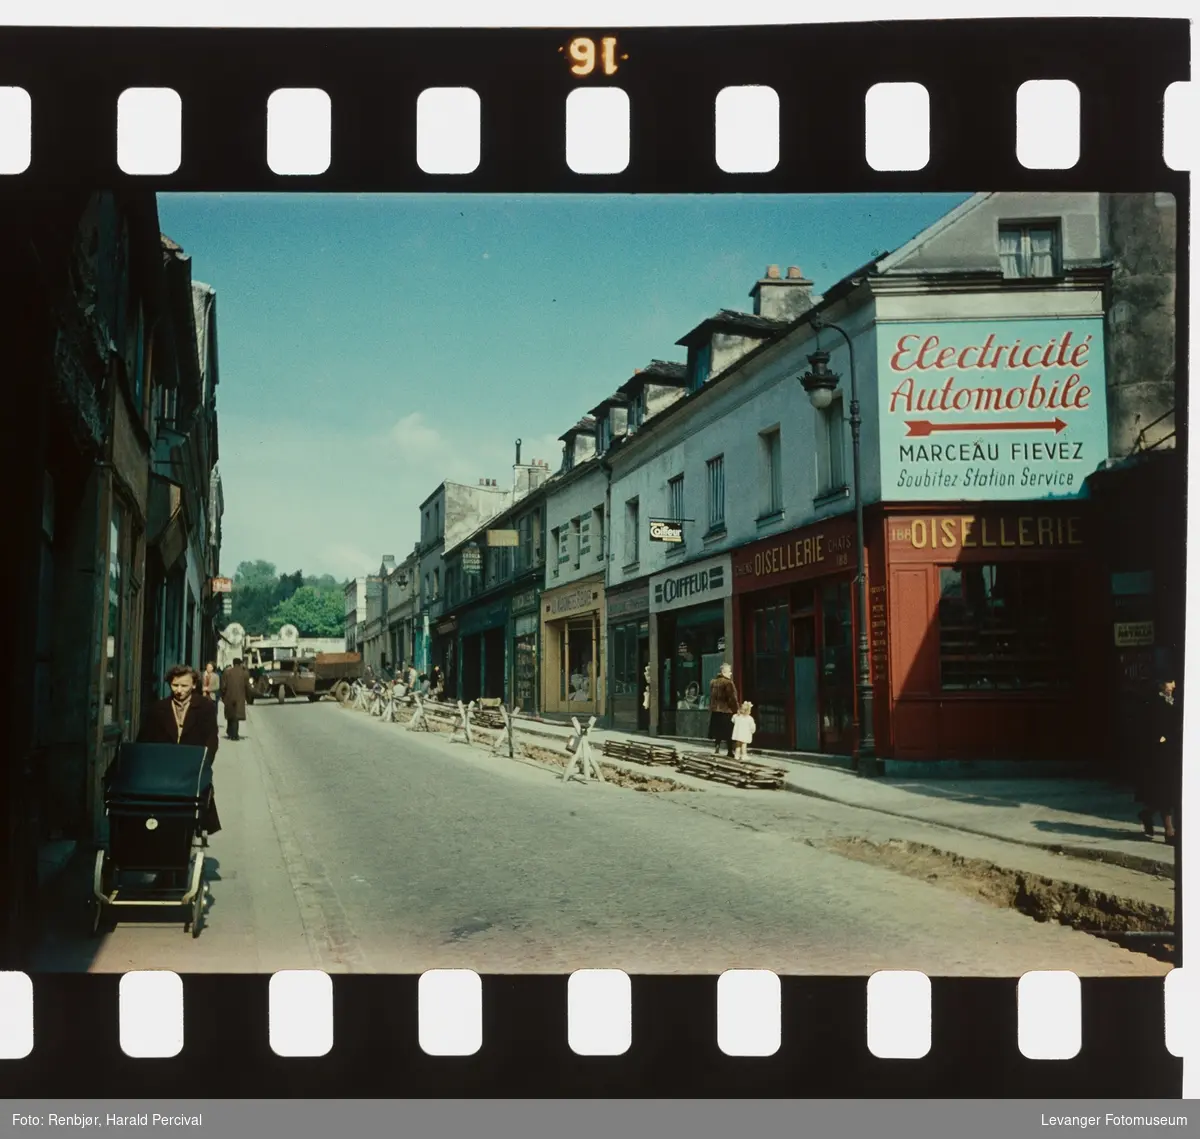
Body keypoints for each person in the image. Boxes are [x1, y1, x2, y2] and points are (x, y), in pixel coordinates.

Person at [137, 664, 221, 835]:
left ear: (194, 685)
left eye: (184, 686)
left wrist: (205, 763)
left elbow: (211, 738)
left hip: (192, 768)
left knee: (194, 808)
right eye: (175, 685)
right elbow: (144, 739)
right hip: (163, 770)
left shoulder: (205, 708)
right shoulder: (158, 709)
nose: (179, 690)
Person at [1138, 674, 1179, 846]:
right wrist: (1160, 738)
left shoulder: (1174, 700)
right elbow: (1150, 726)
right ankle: (1169, 832)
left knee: (1167, 793)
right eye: (1170, 683)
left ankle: (1147, 814)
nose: (1173, 686)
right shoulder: (1154, 702)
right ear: (1162, 684)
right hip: (1159, 753)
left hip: (1173, 751)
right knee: (1165, 792)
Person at [708, 662, 739, 759]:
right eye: (729, 671)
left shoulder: (713, 682)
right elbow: (732, 698)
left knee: (718, 730)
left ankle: (717, 747)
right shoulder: (728, 683)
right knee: (728, 731)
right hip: (726, 710)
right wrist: (736, 709)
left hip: (716, 710)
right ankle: (730, 750)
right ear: (724, 672)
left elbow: (712, 697)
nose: (731, 674)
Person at [221, 656, 249, 741]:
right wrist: (248, 697)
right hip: (239, 697)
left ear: (233, 663)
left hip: (229, 697)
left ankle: (230, 732)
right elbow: (247, 686)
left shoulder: (227, 672)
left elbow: (223, 686)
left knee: (230, 715)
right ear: (240, 664)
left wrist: (223, 696)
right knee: (236, 716)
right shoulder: (244, 673)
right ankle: (235, 735)